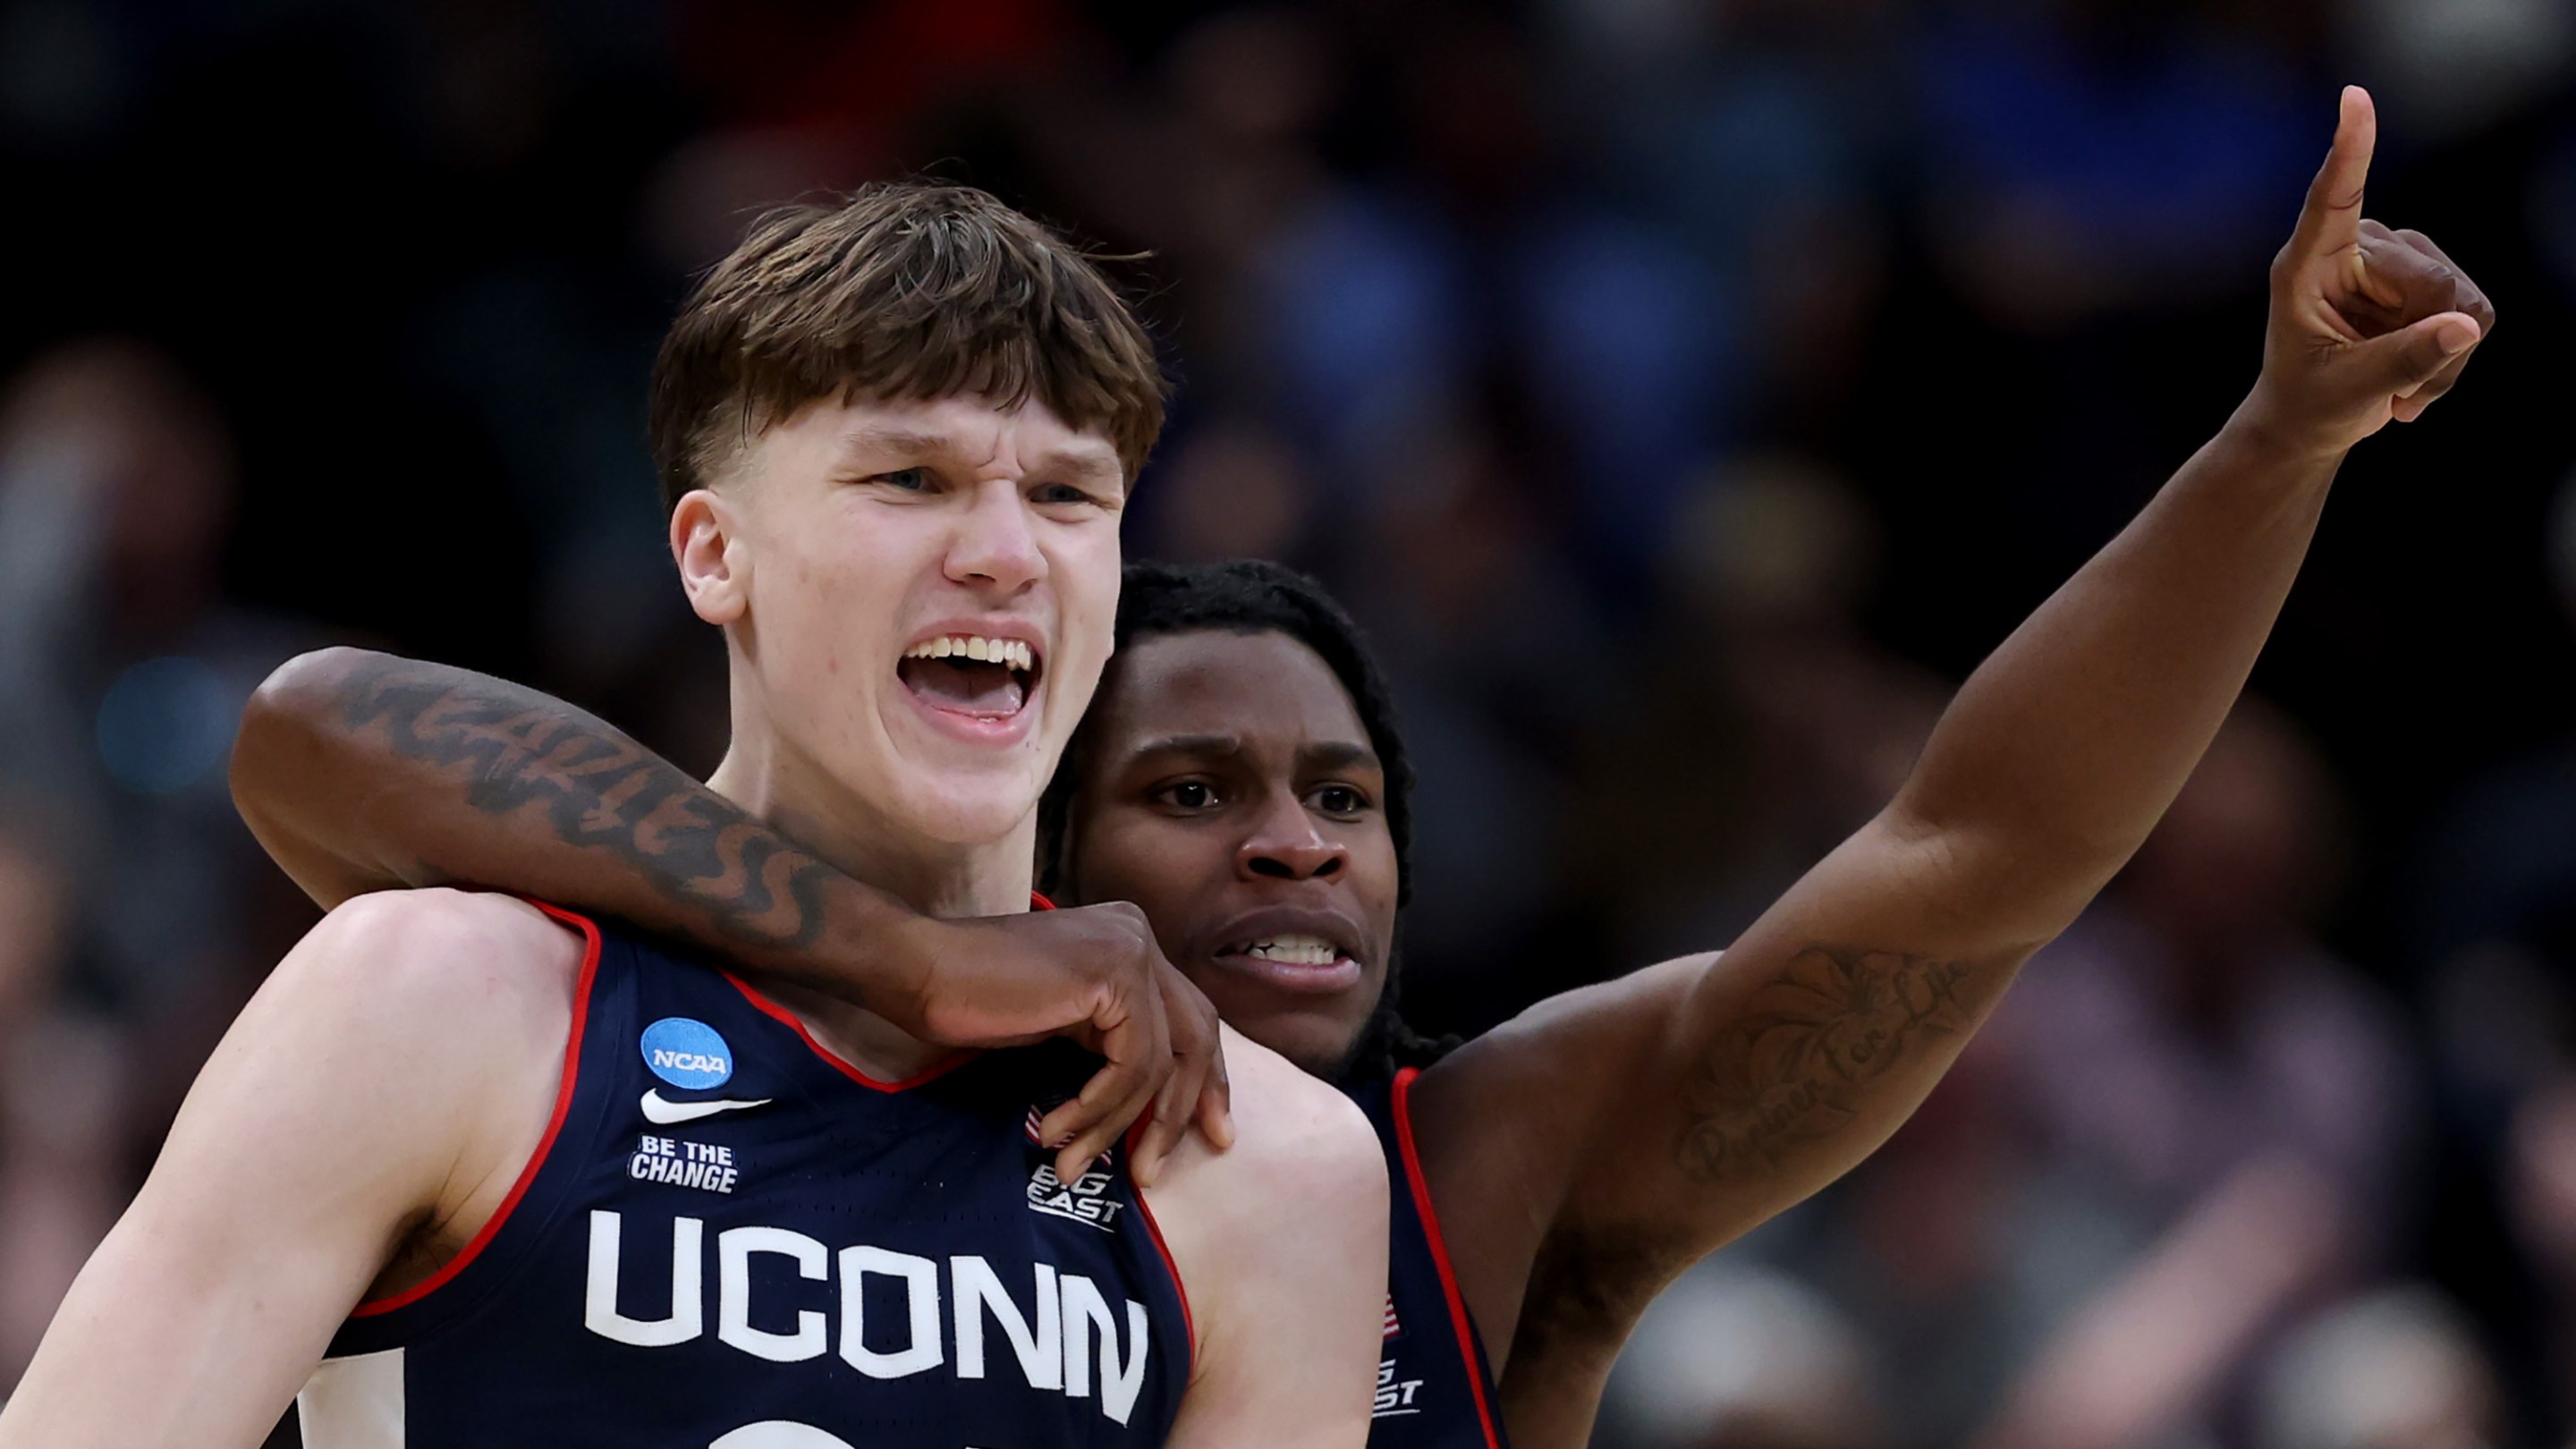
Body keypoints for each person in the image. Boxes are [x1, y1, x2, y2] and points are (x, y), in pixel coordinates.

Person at [224, 89, 2486, 1448]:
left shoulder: (1474, 1163)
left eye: (1348, 795)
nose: (1295, 838)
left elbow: (1977, 850)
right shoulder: (784, 1082)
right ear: (1046, 826)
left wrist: (2280, 443)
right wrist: (911, 951)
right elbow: (330, 735)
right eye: (1192, 796)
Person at [0, 183, 1390, 1449]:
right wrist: (918, 958)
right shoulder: (439, 1000)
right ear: (714, 553)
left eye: (1068, 496)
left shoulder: (1269, 1166)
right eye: (911, 480)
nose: (1005, 552)